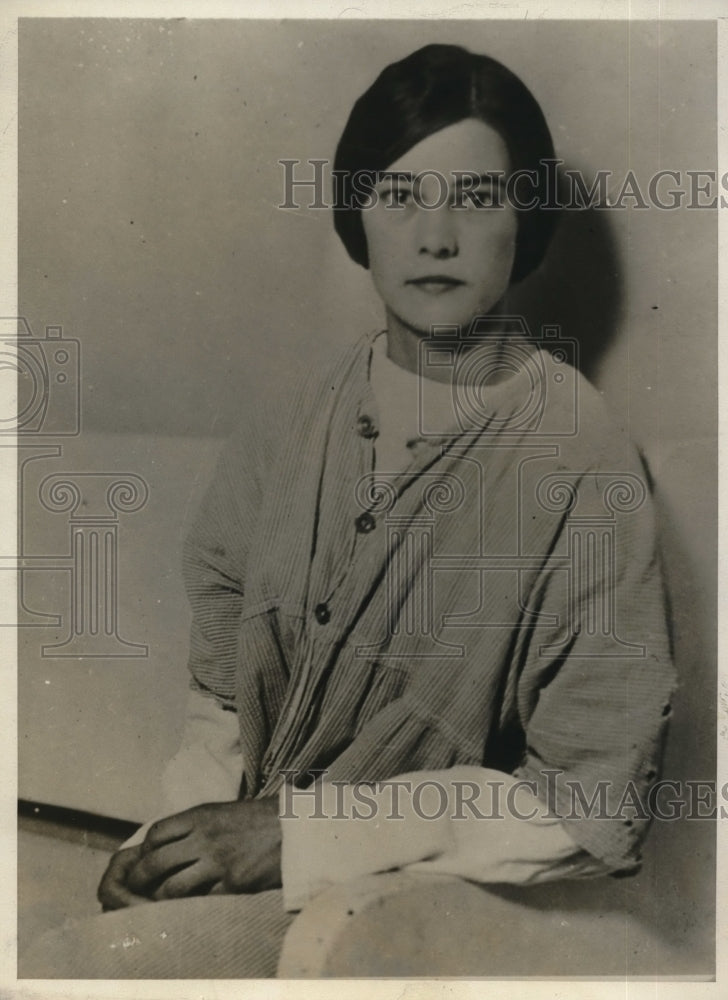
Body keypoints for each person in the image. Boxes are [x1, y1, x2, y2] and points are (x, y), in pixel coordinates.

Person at [22, 43, 675, 979]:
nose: (436, 236)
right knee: (66, 948)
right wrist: (162, 847)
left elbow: (587, 809)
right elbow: (223, 707)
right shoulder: (287, 427)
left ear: (525, 219)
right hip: (260, 881)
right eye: (401, 195)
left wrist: (305, 839)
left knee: (83, 970)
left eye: (477, 199)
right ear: (357, 212)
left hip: (419, 920)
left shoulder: (583, 458)